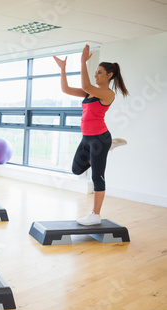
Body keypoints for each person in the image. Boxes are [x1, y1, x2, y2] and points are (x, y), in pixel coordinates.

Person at [53, 45, 128, 226]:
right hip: (86, 138)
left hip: (99, 138)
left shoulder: (108, 94)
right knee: (76, 170)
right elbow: (66, 89)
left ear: (109, 75)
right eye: (95, 72)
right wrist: (63, 69)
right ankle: (107, 149)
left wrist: (82, 62)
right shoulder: (90, 92)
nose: (96, 75)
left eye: (99, 73)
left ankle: (95, 214)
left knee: (97, 177)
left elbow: (86, 84)